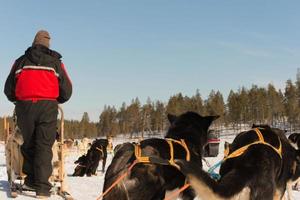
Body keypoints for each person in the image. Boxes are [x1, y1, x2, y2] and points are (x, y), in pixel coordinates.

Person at [4, 30, 72, 198]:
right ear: (48, 44)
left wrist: (18, 100)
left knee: (27, 143)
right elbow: (67, 90)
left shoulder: (20, 61)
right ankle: (42, 188)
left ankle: (30, 179)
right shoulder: (56, 62)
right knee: (44, 145)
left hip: (24, 107)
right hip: (48, 107)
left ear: (34, 43)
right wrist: (56, 100)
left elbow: (8, 88)